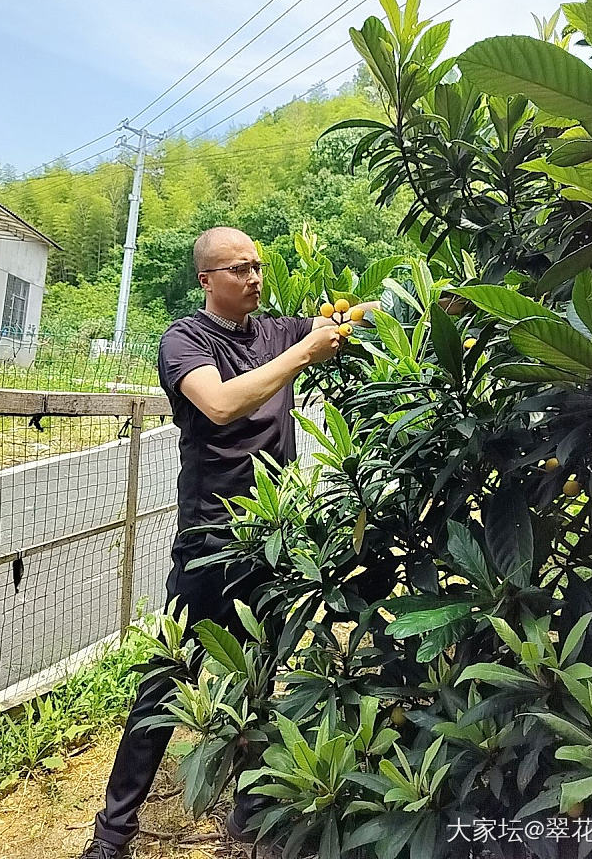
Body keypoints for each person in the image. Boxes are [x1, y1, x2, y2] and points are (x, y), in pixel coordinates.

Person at [80, 227, 379, 859]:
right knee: (166, 677)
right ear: (206, 281)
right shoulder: (184, 340)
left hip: (272, 537)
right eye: (238, 268)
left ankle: (248, 809)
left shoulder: (274, 331)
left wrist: (414, 304)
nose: (253, 276)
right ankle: (114, 833)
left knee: (262, 675)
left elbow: (353, 319)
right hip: (211, 539)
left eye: (258, 265)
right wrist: (304, 354)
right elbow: (219, 405)